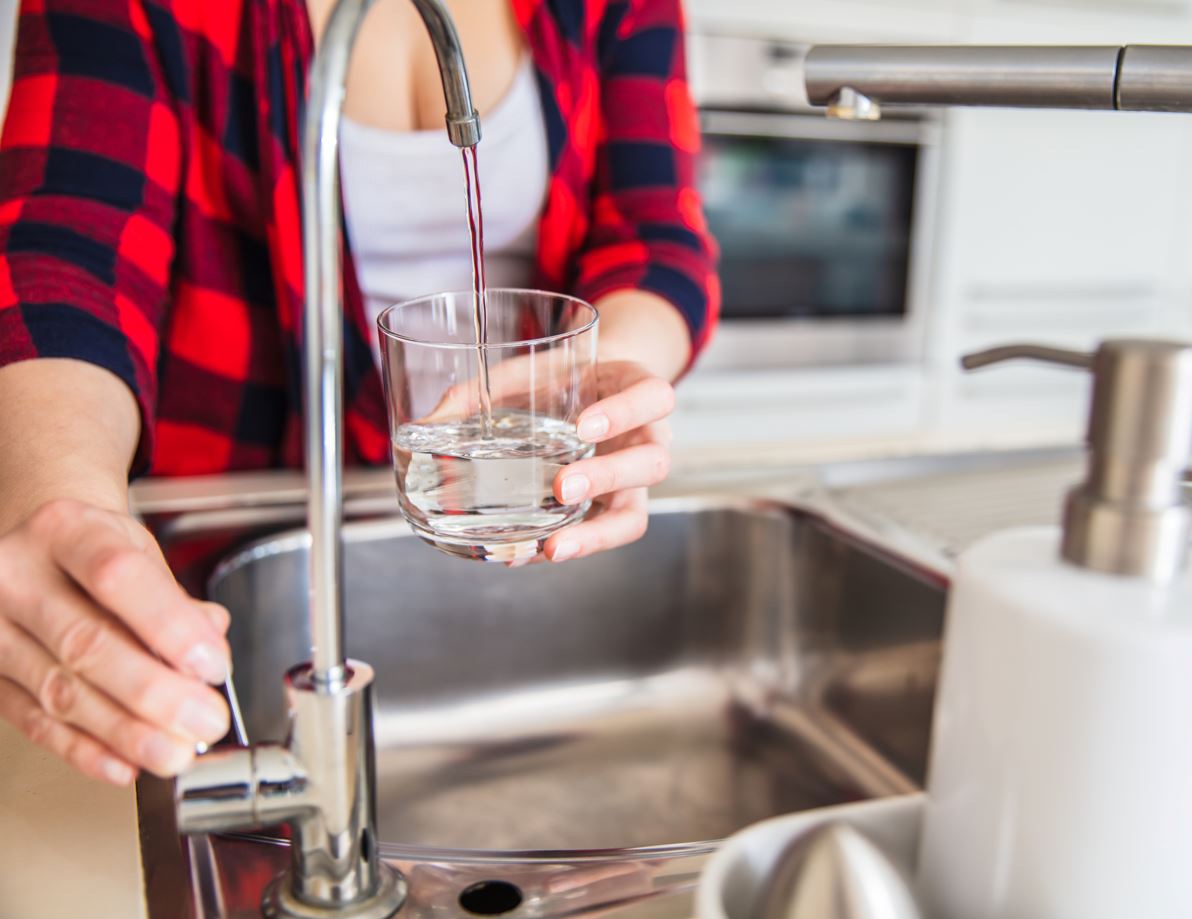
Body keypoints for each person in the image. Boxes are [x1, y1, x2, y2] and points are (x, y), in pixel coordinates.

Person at [0, 0, 719, 786]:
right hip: (227, 542)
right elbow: (68, 247)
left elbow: (657, 237)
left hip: (529, 500)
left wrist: (601, 375)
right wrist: (58, 491)